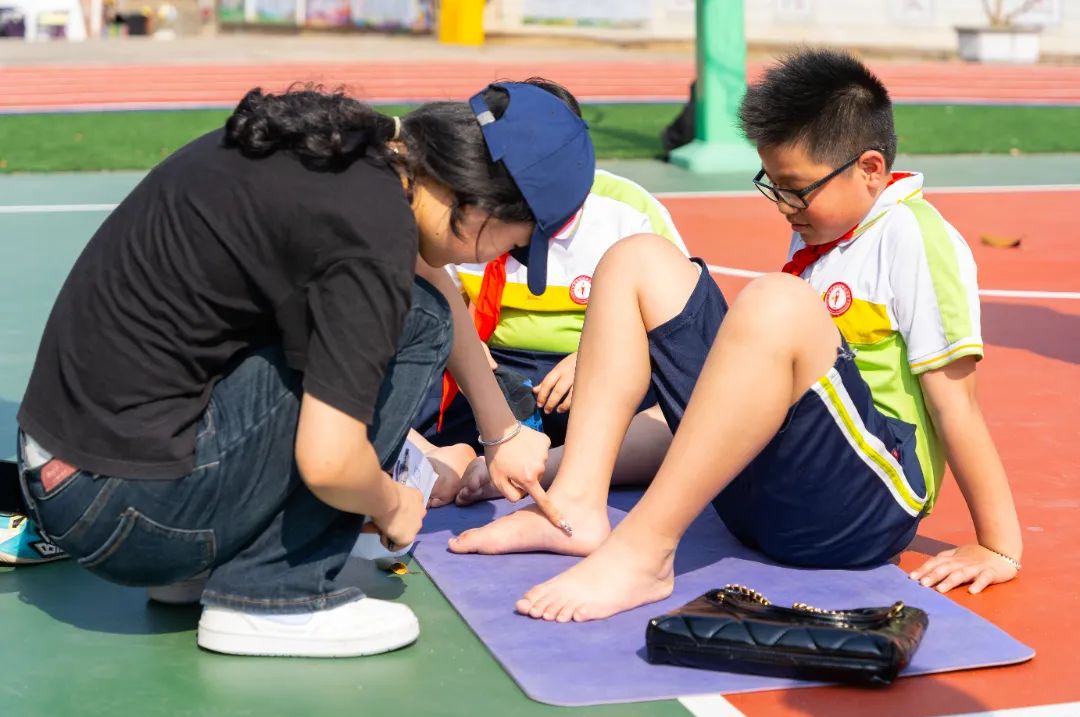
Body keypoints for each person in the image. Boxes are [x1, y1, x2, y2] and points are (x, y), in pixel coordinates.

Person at [14, 80, 593, 653]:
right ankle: (275, 594)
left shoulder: (354, 149)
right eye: (515, 244)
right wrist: (393, 504)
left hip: (78, 470)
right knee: (417, 322)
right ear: (481, 203)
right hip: (129, 511)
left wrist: (501, 431)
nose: (502, 258)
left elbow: (430, 273)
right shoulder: (369, 233)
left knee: (413, 310)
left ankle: (206, 563)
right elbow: (330, 462)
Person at [448, 49, 1023, 623]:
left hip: (859, 512)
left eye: (796, 189)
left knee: (775, 300)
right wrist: (548, 465)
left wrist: (998, 545)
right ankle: (574, 506)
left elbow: (957, 404)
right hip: (762, 502)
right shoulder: (821, 233)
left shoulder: (912, 236)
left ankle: (645, 554)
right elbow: (720, 413)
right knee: (635, 259)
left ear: (871, 169)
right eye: (772, 186)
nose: (784, 207)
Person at [416, 78, 688, 508]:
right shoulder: (471, 212)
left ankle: (550, 465)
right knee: (409, 379)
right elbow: (447, 302)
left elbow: (675, 325)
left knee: (681, 420)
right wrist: (479, 367)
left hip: (596, 375)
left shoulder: (627, 210)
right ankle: (445, 454)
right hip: (499, 370)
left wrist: (592, 360)